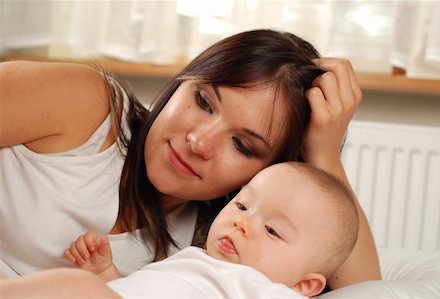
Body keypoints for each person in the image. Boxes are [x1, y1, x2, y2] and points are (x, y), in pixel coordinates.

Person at [0, 29, 380, 289]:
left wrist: (324, 156)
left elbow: (364, 293)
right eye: (202, 101)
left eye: (243, 146)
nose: (199, 141)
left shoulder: (220, 246)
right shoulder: (88, 107)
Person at [0, 162, 359, 299]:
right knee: (83, 286)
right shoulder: (194, 259)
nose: (243, 223)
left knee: (75, 288)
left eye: (273, 231)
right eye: (242, 205)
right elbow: (136, 290)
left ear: (304, 286)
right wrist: (104, 273)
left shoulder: (264, 289)